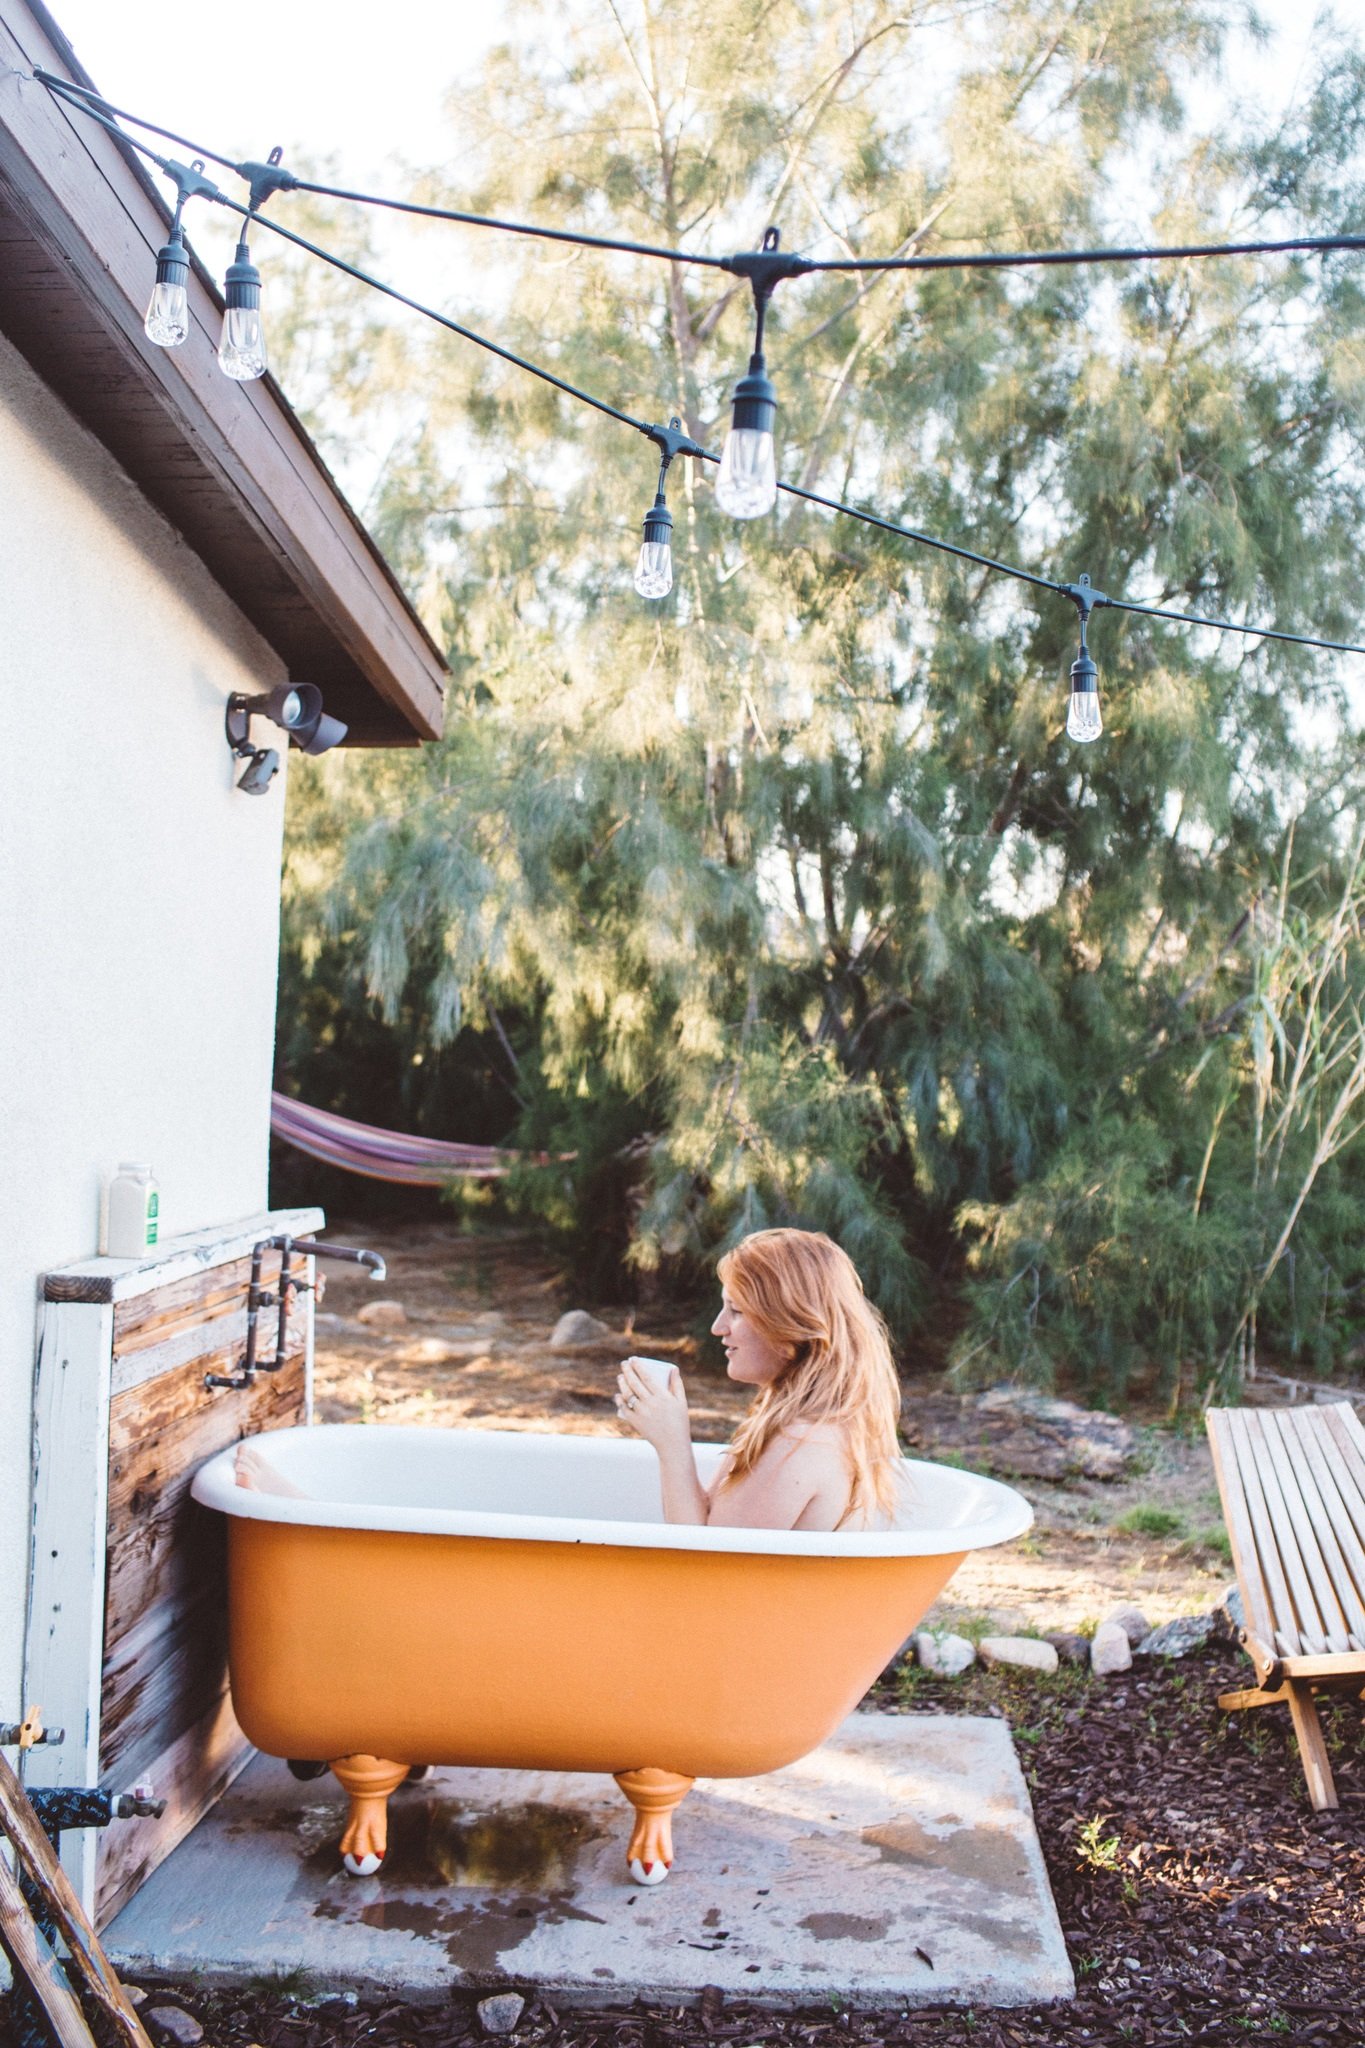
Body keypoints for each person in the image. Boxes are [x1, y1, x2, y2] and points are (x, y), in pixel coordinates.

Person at [615, 1227, 904, 1531]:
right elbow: (708, 1528)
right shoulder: (799, 1421)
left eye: (736, 1311)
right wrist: (668, 1441)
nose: (718, 1327)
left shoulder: (802, 1441)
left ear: (788, 1326)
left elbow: (705, 1565)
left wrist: (673, 1446)